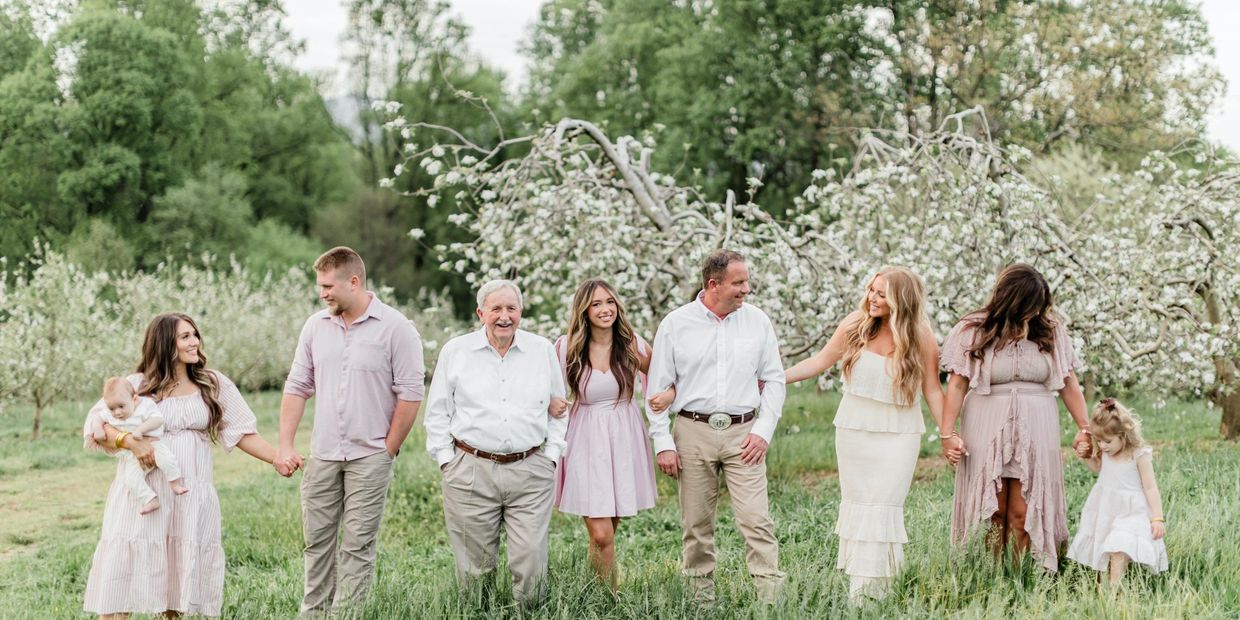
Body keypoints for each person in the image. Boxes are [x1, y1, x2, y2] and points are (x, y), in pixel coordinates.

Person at [82, 313, 286, 619]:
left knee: (176, 583)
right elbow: (96, 424)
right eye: (185, 337)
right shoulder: (136, 385)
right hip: (143, 491)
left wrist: (277, 458)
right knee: (121, 574)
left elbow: (242, 431)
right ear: (165, 344)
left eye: (195, 334)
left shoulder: (212, 383)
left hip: (188, 492)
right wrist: (133, 442)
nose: (195, 342)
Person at [784, 267, 953, 603]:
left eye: (882, 294)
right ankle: (861, 593)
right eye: (872, 291)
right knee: (860, 505)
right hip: (854, 430)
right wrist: (774, 377)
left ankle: (878, 590)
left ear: (900, 300)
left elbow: (933, 390)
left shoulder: (920, 336)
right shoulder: (855, 324)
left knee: (885, 504)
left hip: (900, 433)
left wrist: (948, 433)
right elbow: (819, 361)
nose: (873, 298)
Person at [278, 246, 426, 619]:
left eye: (328, 286)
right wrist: (285, 444)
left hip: (370, 456)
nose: (322, 293)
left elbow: (410, 393)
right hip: (324, 453)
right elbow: (297, 385)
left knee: (358, 546)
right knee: (317, 544)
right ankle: (312, 615)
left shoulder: (397, 328)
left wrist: (387, 449)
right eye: (320, 286)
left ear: (354, 282)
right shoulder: (315, 327)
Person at [645, 249, 787, 604]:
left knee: (757, 520)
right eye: (739, 282)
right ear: (713, 284)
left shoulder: (758, 322)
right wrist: (662, 442)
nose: (746, 289)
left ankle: (770, 599)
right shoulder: (676, 324)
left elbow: (774, 380)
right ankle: (700, 600)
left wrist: (763, 431)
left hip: (745, 433)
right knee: (696, 524)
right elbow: (656, 388)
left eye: (746, 281)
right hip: (693, 432)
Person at [939, 263, 1092, 571]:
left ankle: (1024, 576)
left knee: (1023, 510)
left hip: (1037, 425)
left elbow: (1069, 384)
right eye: (1029, 306)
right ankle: (990, 576)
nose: (1034, 313)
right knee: (993, 508)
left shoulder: (1051, 331)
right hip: (986, 421)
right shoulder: (973, 329)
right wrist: (947, 433)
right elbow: (957, 384)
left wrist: (1085, 428)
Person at [424, 279, 568, 604]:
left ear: (521, 312)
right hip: (470, 470)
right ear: (480, 313)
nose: (504, 316)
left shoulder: (541, 350)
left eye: (511, 308)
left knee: (531, 561)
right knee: (474, 569)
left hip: (530, 470)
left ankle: (528, 612)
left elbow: (559, 408)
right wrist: (447, 461)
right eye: (496, 309)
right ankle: (478, 612)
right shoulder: (456, 351)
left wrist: (552, 456)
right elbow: (436, 413)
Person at [552, 279, 660, 591]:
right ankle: (609, 596)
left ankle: (597, 594)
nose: (605, 309)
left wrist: (662, 397)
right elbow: (544, 387)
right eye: (596, 304)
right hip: (584, 436)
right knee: (601, 533)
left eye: (609, 302)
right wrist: (551, 402)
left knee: (606, 531)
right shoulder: (566, 347)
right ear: (584, 310)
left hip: (624, 436)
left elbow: (662, 375)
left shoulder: (631, 344)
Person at [1067, 398, 1167, 585]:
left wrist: (1157, 517)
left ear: (1124, 434)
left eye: (1107, 441)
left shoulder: (1138, 454)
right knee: (1107, 547)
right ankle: (1105, 587)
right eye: (1099, 441)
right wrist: (1086, 456)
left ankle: (1114, 591)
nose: (1103, 446)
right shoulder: (1106, 453)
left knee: (1119, 546)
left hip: (1131, 511)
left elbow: (1150, 487)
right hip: (1107, 507)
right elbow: (1097, 469)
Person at [89, 377, 188, 515]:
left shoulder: (145, 406)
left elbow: (157, 420)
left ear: (134, 399)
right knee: (131, 478)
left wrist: (141, 429)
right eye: (112, 408)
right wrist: (98, 429)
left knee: (167, 460)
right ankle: (150, 499)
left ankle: (175, 483)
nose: (117, 412)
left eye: (121, 407)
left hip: (153, 443)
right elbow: (98, 417)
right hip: (132, 454)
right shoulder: (110, 411)